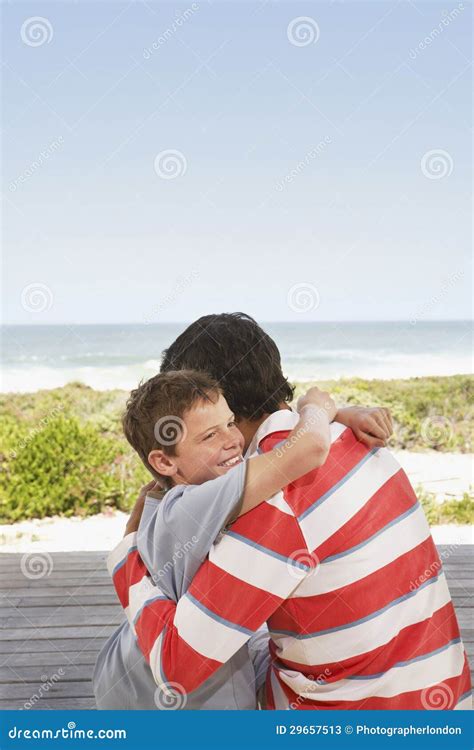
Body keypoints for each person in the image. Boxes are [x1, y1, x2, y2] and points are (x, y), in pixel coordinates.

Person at [110, 313, 471, 710]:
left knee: (153, 657)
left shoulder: (271, 502)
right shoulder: (353, 436)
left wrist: (127, 557)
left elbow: (175, 667)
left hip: (357, 716)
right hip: (446, 696)